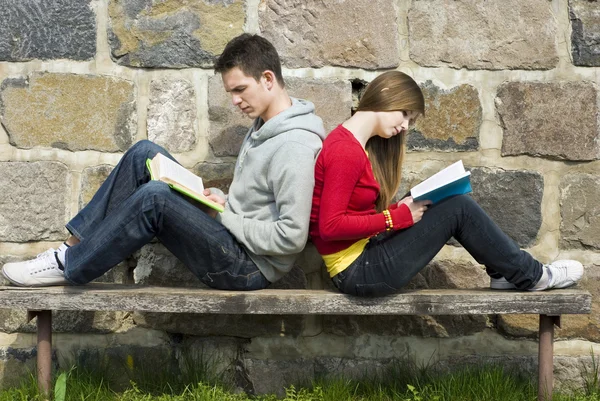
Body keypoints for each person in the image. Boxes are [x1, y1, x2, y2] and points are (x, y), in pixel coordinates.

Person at [2, 33, 325, 289]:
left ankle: (70, 266)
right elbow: (258, 203)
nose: (235, 101)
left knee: (154, 198)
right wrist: (221, 200)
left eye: (240, 89)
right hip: (233, 241)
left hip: (247, 268)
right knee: (144, 153)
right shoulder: (264, 126)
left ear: (268, 79)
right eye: (230, 92)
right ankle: (68, 248)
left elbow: (291, 237)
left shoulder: (294, 145)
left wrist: (221, 215)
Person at [309, 70, 583, 296]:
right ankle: (533, 276)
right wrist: (394, 218)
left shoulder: (355, 146)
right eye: (405, 114)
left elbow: (352, 215)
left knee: (439, 200)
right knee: (458, 209)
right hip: (358, 270)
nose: (405, 126)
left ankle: (504, 273)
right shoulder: (345, 152)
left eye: (410, 120)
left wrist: (397, 210)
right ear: (387, 97)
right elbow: (330, 227)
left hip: (365, 255)